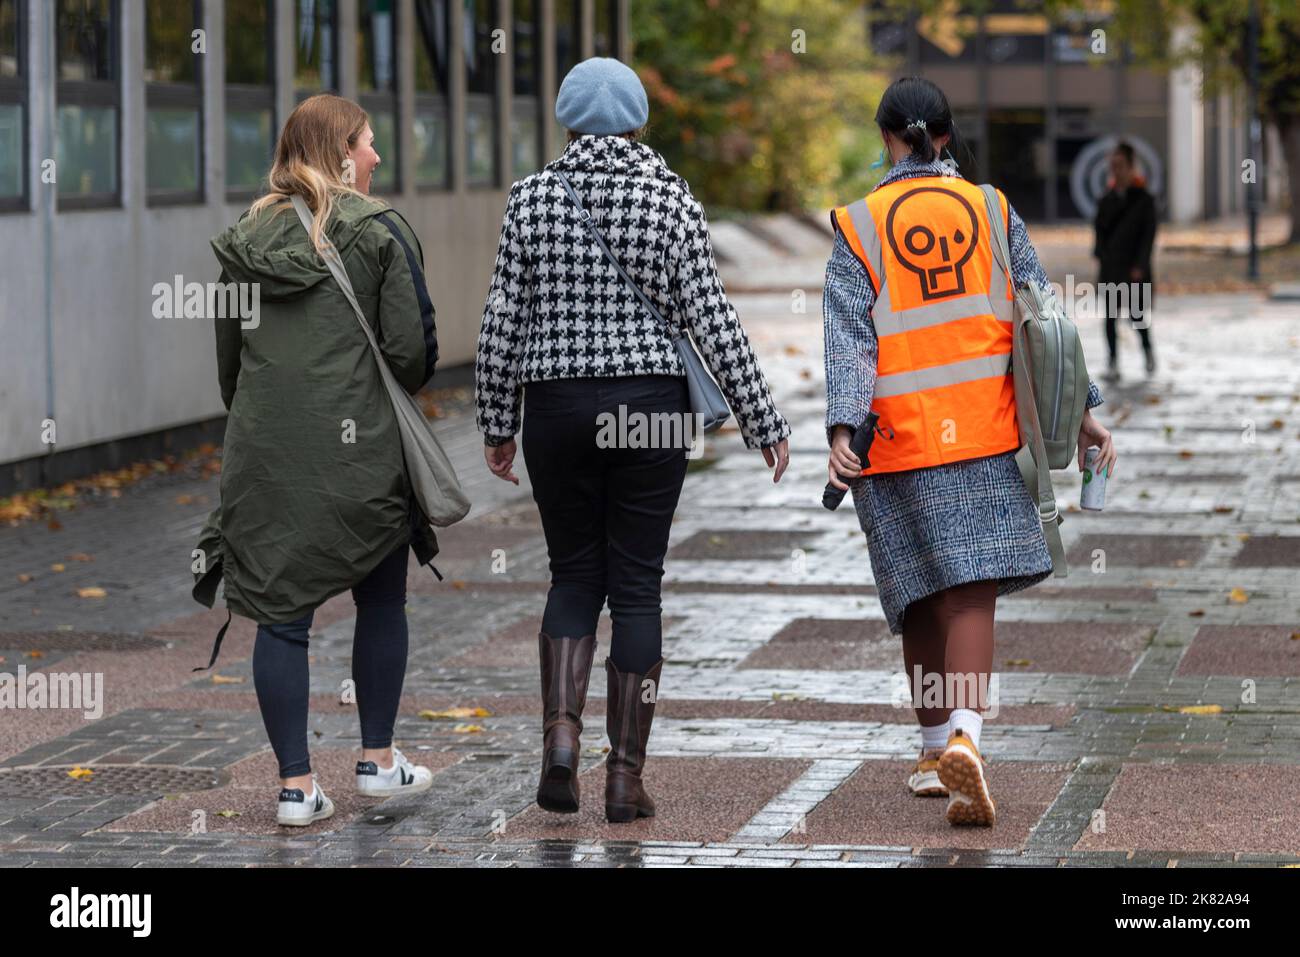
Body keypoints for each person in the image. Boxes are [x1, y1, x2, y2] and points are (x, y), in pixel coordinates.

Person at [474, 57, 792, 823]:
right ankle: (623, 776)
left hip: (555, 408)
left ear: (568, 119)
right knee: (638, 582)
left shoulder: (534, 198)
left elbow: (501, 320)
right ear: (640, 120)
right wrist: (761, 419)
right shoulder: (670, 197)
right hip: (650, 407)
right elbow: (710, 316)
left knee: (573, 575)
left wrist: (496, 422)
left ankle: (559, 737)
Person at [823, 76, 1118, 826]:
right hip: (985, 430)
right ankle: (966, 737)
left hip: (893, 438)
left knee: (920, 590)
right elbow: (1041, 320)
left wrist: (841, 430)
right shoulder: (992, 208)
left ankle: (931, 754)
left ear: (888, 137)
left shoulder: (857, 224)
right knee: (971, 591)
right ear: (945, 137)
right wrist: (1082, 411)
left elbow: (849, 338)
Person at [192, 94, 441, 826]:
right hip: (361, 453)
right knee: (382, 600)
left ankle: (296, 788)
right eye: (367, 143)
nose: (376, 158)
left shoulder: (244, 238)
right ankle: (377, 761)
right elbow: (412, 354)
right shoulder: (379, 231)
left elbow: (229, 368)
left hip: (264, 459)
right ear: (340, 153)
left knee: (279, 615)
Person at [1094, 140, 1158, 378]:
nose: (1116, 171)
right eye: (1113, 166)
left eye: (1120, 166)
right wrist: (1100, 254)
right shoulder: (1106, 199)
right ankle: (1112, 362)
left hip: (1134, 270)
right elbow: (1099, 232)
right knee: (1110, 318)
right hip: (1111, 268)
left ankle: (1148, 352)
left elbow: (1148, 236)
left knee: (1137, 315)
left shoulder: (1144, 200)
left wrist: (1140, 265)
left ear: (1131, 167)